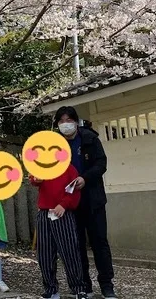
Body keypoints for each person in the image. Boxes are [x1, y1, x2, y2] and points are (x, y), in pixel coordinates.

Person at [55, 106, 117, 299]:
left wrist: (85, 178)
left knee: (99, 242)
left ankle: (107, 285)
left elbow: (101, 164)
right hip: (70, 202)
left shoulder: (90, 138)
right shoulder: (55, 145)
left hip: (93, 199)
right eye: (61, 121)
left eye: (69, 120)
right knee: (76, 245)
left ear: (76, 121)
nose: (66, 124)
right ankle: (84, 285)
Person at [29, 158, 87, 299]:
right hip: (44, 212)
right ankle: (50, 289)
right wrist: (37, 179)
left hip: (63, 212)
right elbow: (33, 179)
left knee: (69, 251)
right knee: (45, 253)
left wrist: (64, 204)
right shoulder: (41, 165)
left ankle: (78, 288)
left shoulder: (68, 168)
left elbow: (73, 189)